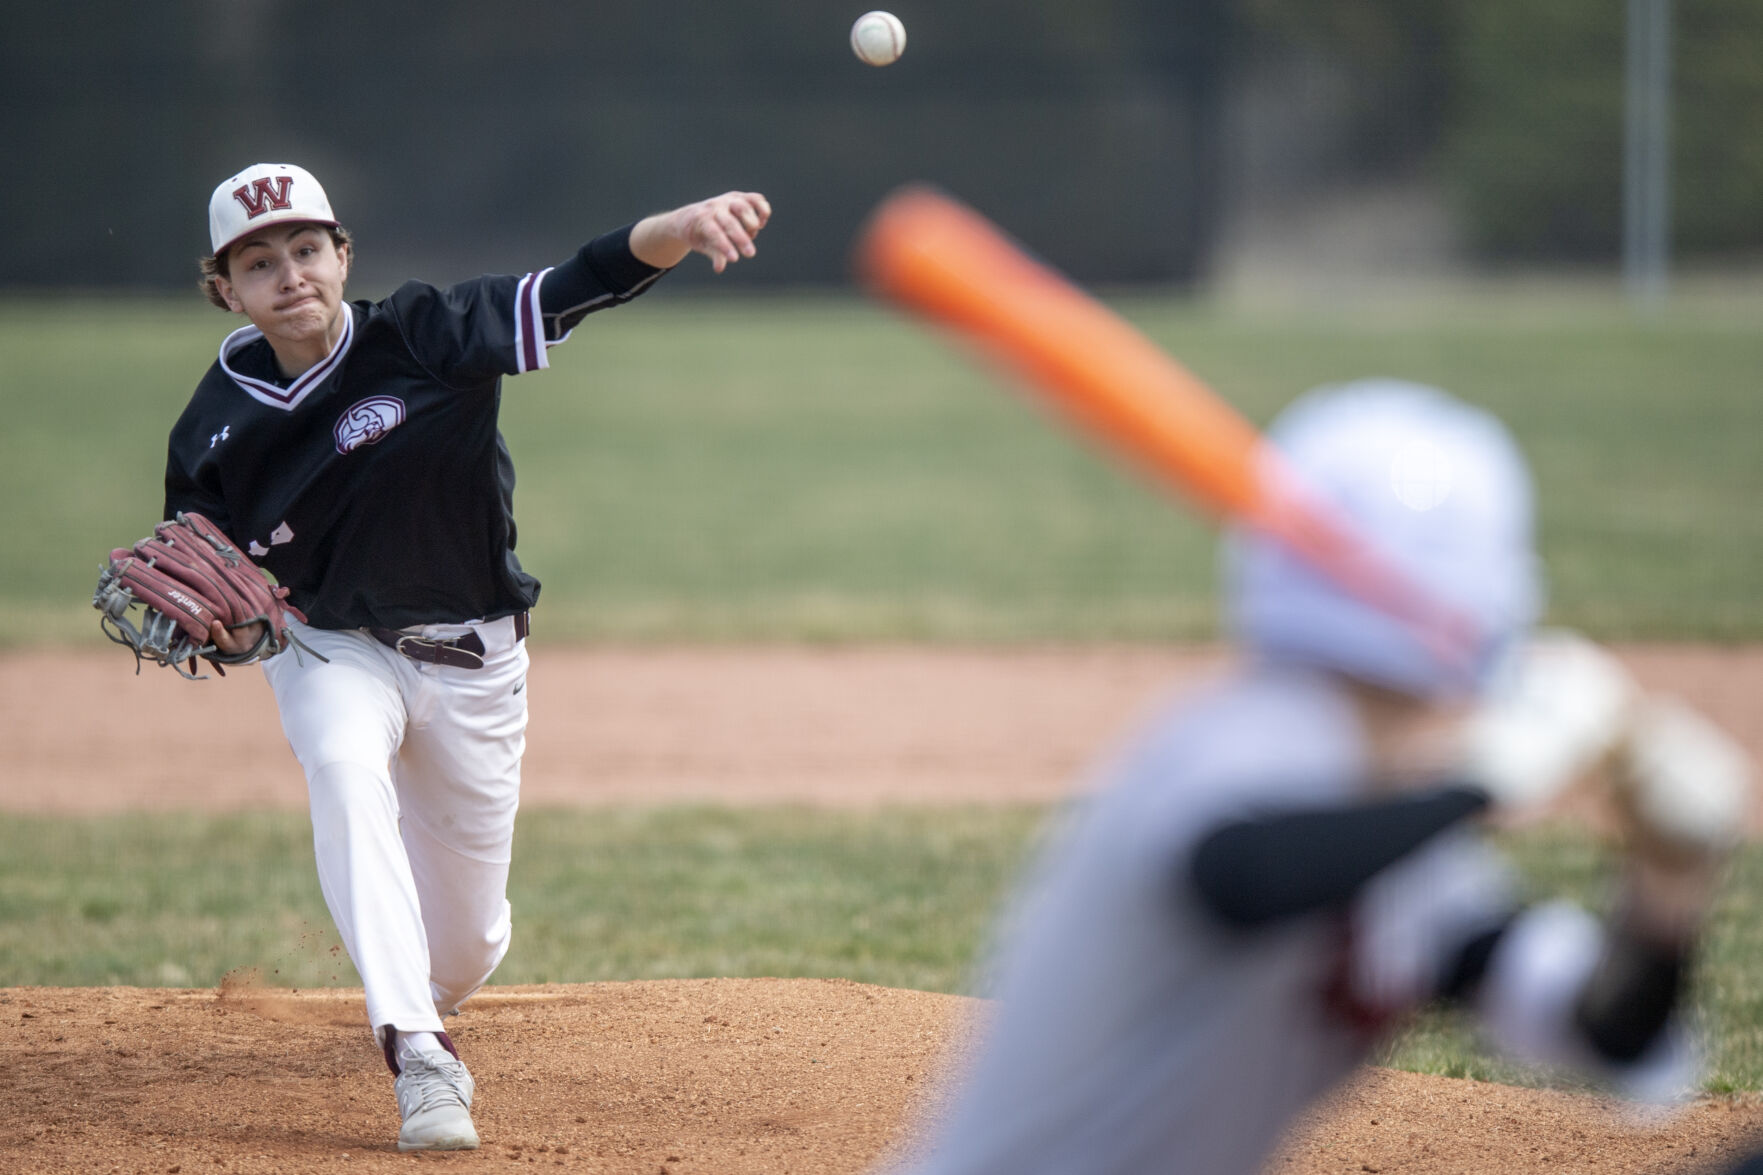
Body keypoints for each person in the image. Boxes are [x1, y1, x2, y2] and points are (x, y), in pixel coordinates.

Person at [884, 380, 1751, 1175]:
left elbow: (1603, 1029)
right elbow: (1237, 874)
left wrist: (1663, 895)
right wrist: (1483, 780)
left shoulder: (1392, 840)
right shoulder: (1238, 743)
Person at [163, 161, 770, 1151]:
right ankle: (420, 1054)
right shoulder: (216, 420)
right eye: (259, 261)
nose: (290, 274)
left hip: (475, 660)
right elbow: (210, 578)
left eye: (306, 249)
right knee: (343, 770)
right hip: (330, 651)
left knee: (471, 943)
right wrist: (228, 630)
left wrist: (682, 224)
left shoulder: (424, 335)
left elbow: (580, 280)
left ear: (341, 253)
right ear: (226, 289)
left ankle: (430, 985)